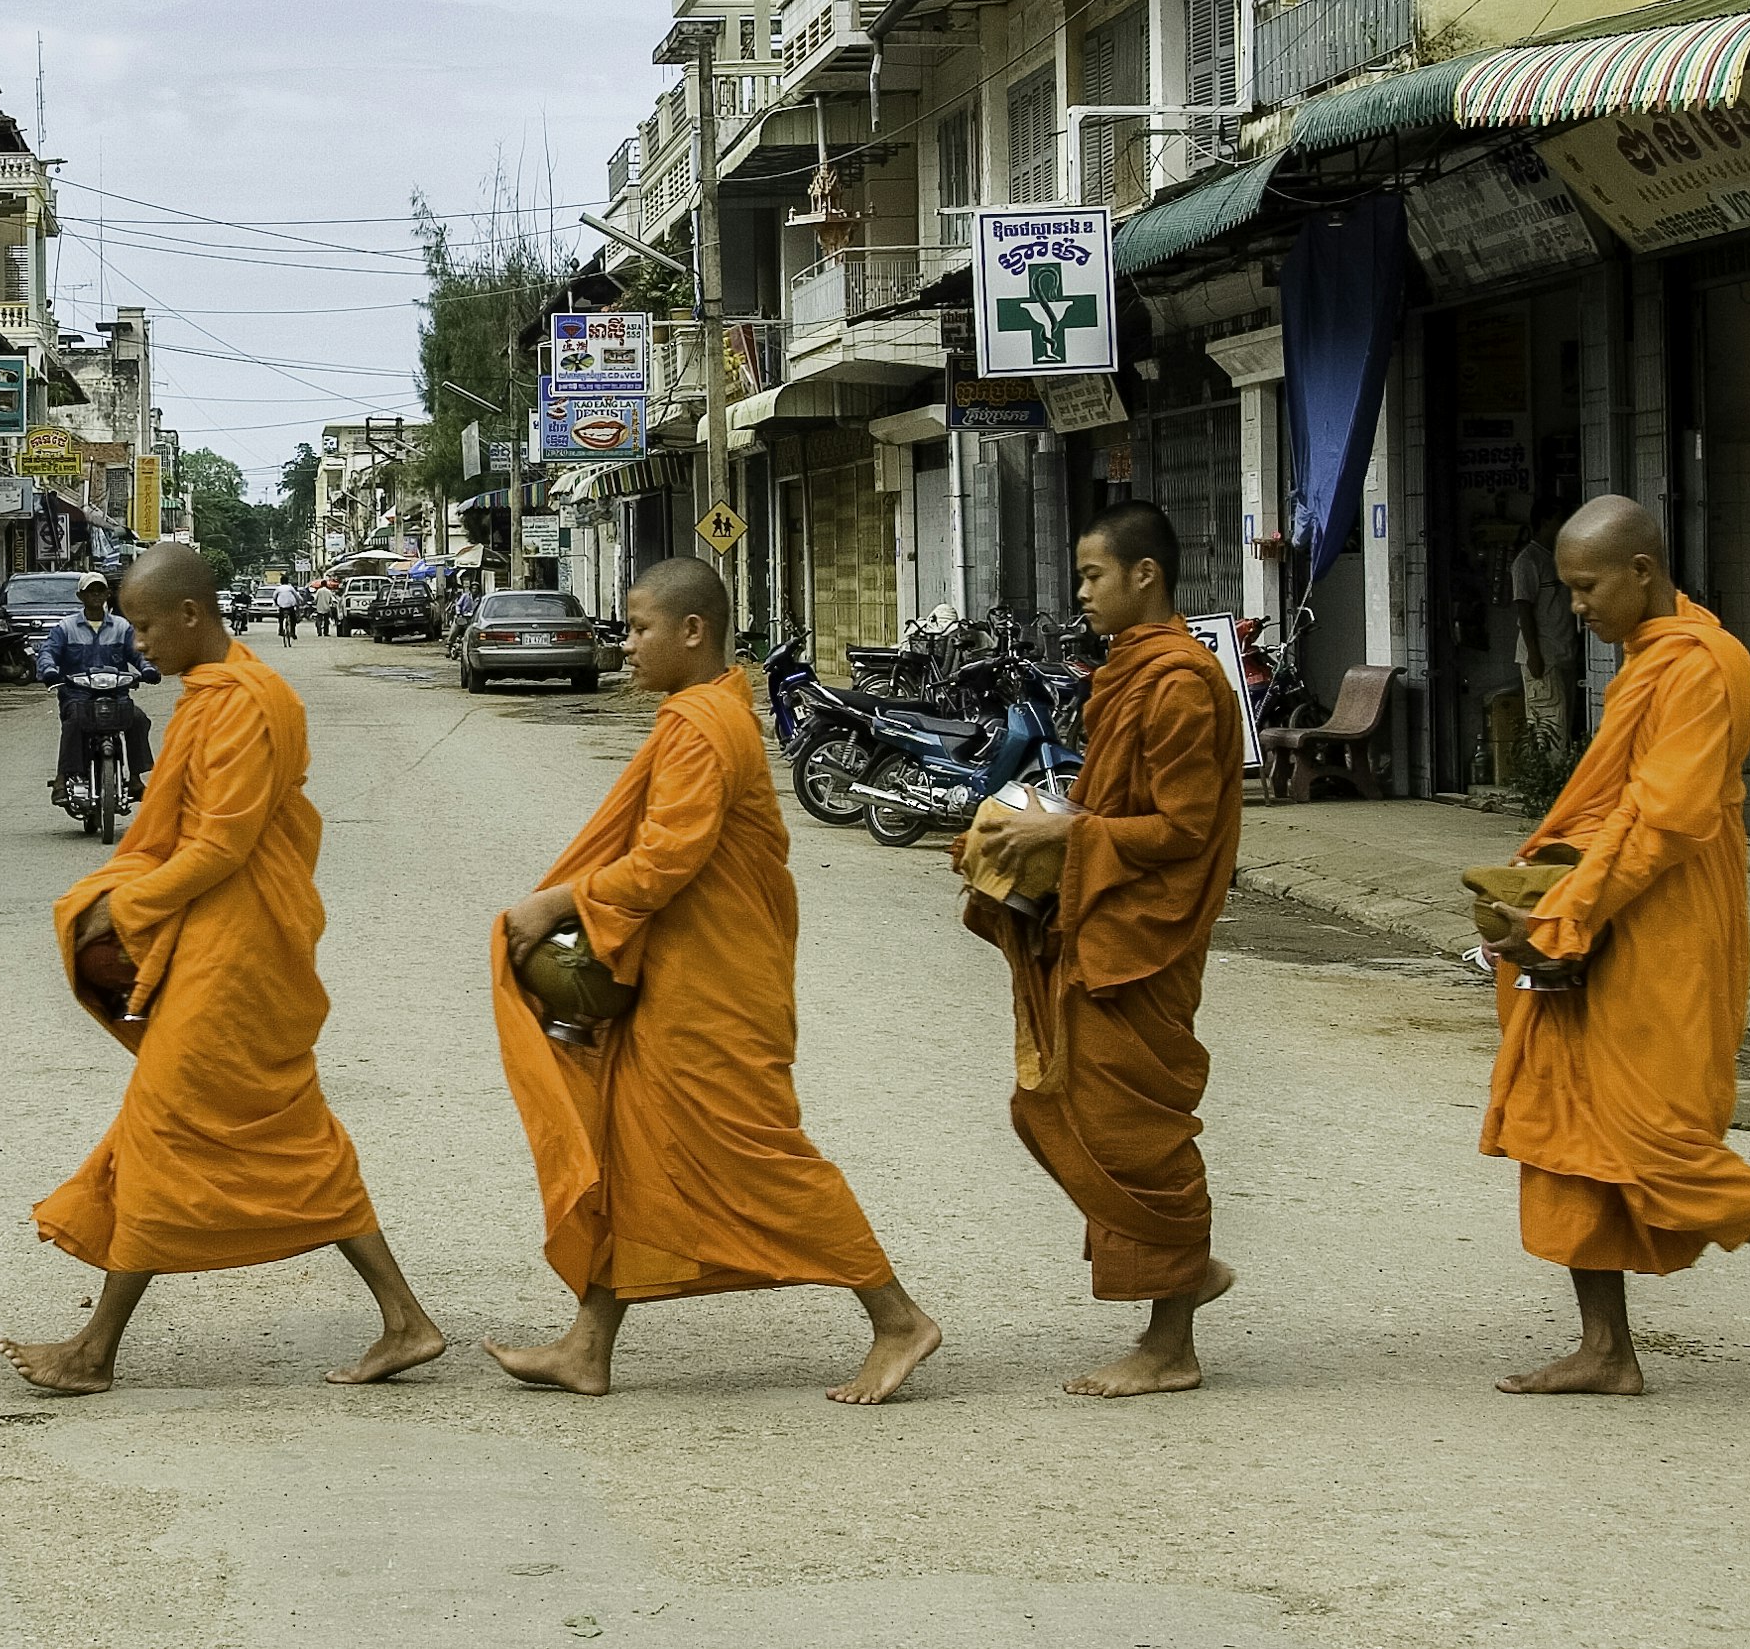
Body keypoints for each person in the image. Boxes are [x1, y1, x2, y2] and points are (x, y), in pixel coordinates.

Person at [484, 557, 942, 1404]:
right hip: (681, 982)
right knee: (627, 1151)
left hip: (716, 991)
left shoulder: (702, 725)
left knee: (758, 1155)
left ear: (693, 632)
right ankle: (589, 1345)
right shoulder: (700, 713)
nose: (625, 646)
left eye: (639, 628)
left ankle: (898, 1318)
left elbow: (664, 862)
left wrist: (558, 901)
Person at [0, 545, 446, 1395]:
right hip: (221, 940)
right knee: (268, 1132)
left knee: (164, 1123)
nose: (139, 648)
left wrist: (120, 908)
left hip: (241, 950)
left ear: (192, 617)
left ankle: (96, 1350)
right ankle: (405, 1320)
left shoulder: (245, 703)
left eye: (145, 627)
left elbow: (223, 844)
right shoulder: (215, 694)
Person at [1479, 497, 1750, 1397]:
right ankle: (1606, 1351)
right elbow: (1610, 808)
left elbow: (1662, 823)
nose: (1576, 607)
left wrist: (1565, 919)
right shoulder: (1643, 661)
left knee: (1659, 1139)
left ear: (1642, 571)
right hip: (1603, 909)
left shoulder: (1705, 665)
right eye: (1568, 590)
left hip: (1668, 921)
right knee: (1565, 1128)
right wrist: (1547, 892)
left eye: (1586, 588)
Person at [959, 502, 1241, 1396]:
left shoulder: (1182, 684)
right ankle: (1184, 1273)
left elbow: (1184, 827)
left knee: (1134, 1136)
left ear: (1144, 576)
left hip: (1144, 937)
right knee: (1044, 1107)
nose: (1081, 593)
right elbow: (1107, 801)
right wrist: (1020, 838)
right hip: (1102, 921)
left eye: (1093, 576)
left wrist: (1069, 843)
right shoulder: (1127, 674)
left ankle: (1171, 1343)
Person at [37, 575, 159, 796]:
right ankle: (62, 778)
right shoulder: (66, 628)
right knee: (73, 721)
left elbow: (139, 654)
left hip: (116, 696)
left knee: (138, 719)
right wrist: (48, 670)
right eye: (90, 591)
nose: (95, 594)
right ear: (80, 596)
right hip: (77, 696)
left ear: (107, 594)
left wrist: (148, 668)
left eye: (99, 590)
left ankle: (134, 778)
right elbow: (48, 652)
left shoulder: (122, 627)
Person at [1511, 481, 1582, 755]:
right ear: (1543, 522)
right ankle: (1548, 787)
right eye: (1559, 520)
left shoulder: (1557, 557)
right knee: (1549, 725)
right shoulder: (1527, 561)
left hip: (1563, 652)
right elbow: (1524, 609)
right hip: (1543, 655)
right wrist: (1534, 653)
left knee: (1565, 722)